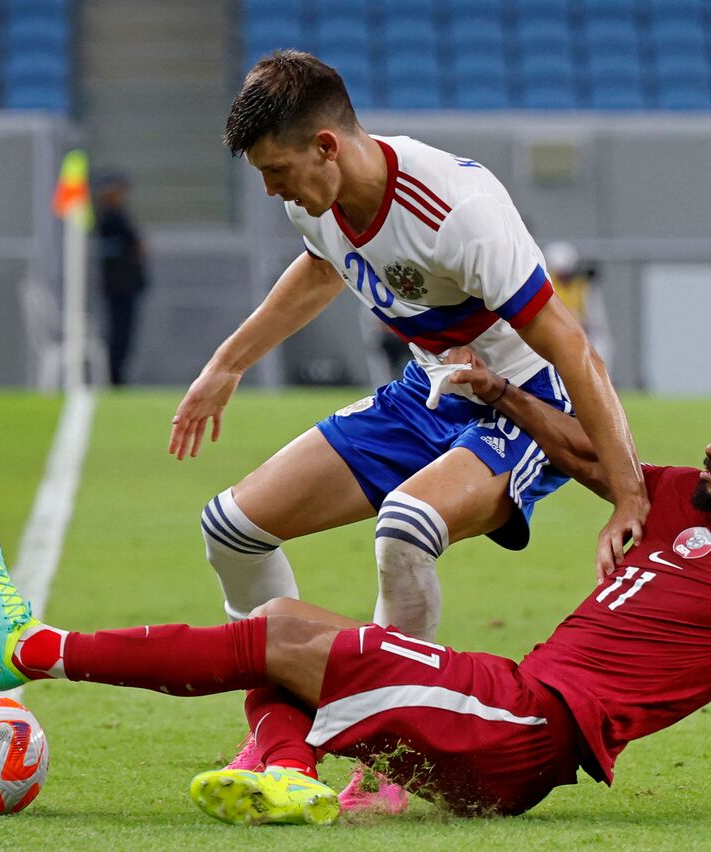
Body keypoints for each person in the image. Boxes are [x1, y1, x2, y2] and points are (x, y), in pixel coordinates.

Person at [0, 358, 711, 827]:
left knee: (282, 628)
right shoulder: (679, 500)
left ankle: (32, 651)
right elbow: (587, 453)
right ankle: (281, 769)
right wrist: (503, 394)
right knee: (292, 643)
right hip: (501, 716)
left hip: (526, 726)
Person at [166, 50, 647, 802]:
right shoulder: (312, 197)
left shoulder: (454, 209)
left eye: (278, 171)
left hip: (526, 399)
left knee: (406, 527)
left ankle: (400, 754)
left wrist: (629, 496)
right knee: (231, 527)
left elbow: (572, 347)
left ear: (327, 147)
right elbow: (324, 266)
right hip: (430, 386)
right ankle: (280, 737)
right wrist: (227, 364)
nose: (272, 190)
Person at [96, 170, 147, 386]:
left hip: (124, 285)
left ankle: (118, 375)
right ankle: (116, 377)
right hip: (120, 286)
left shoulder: (115, 217)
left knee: (123, 333)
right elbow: (134, 244)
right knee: (120, 333)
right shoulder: (111, 219)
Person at [543, 241, 612, 367]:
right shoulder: (548, 285)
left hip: (581, 334)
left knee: (601, 347)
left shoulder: (582, 286)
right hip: (556, 335)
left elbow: (594, 320)